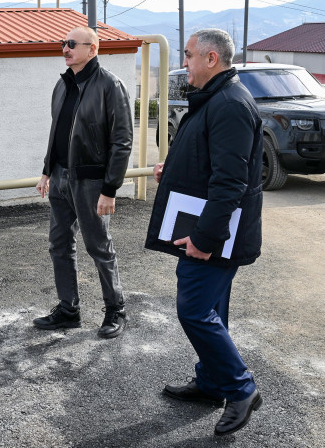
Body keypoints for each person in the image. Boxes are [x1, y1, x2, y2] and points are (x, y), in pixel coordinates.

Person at [145, 28, 264, 436]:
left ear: (211, 59)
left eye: (189, 55)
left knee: (194, 310)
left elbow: (230, 182)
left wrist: (205, 239)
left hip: (215, 236)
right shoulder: (217, 98)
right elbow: (210, 160)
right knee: (213, 308)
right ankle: (213, 383)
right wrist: (172, 168)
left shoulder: (229, 104)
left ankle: (241, 389)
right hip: (216, 232)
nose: (184, 63)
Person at [33, 26, 133, 339]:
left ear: (92, 49)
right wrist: (47, 171)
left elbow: (122, 140)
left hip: (91, 182)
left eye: (72, 44)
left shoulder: (109, 85)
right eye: (63, 43)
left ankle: (116, 309)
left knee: (98, 246)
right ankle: (68, 310)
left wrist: (110, 189)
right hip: (60, 177)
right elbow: (57, 132)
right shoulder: (63, 84)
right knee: (59, 244)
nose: (65, 48)